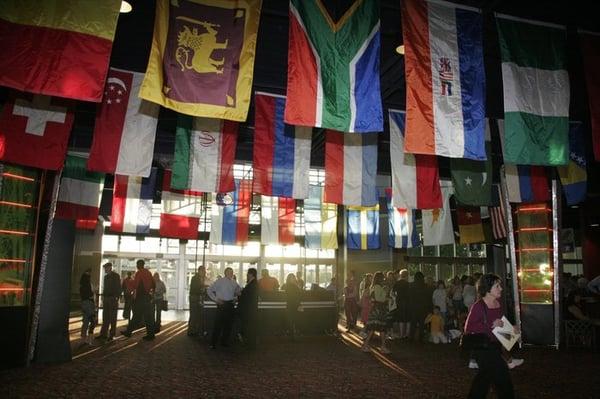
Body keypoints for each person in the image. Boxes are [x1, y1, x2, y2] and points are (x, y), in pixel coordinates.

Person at [464, 273, 517, 399]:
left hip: (494, 346)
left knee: (484, 379)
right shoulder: (478, 306)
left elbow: (499, 325)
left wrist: (511, 329)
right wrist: (490, 326)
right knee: (502, 376)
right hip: (482, 348)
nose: (501, 289)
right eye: (497, 286)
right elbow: (468, 328)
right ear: (488, 288)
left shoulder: (498, 304)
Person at [207, 267, 241, 349]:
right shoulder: (220, 281)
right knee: (218, 325)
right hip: (222, 304)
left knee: (228, 325)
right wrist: (216, 300)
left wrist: (235, 299)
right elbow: (209, 290)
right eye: (229, 272)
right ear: (225, 273)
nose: (231, 273)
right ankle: (213, 343)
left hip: (230, 305)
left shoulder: (234, 282)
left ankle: (224, 342)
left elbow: (239, 291)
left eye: (232, 272)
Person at [122, 259, 156, 340]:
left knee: (136, 316)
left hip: (140, 298)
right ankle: (151, 335)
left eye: (137, 265)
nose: (136, 266)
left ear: (138, 265)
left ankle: (128, 332)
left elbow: (135, 285)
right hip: (147, 297)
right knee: (148, 317)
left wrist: (128, 281)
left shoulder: (139, 273)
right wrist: (151, 294)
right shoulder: (148, 272)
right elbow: (153, 284)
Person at [361, 272, 391, 354]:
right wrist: (386, 294)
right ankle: (381, 346)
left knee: (376, 328)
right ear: (379, 278)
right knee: (377, 328)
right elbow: (379, 299)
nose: (384, 279)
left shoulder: (374, 286)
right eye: (382, 278)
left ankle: (378, 346)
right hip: (379, 309)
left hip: (377, 309)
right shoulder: (377, 287)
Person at [98, 262, 121, 341]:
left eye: (106, 268)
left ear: (110, 268)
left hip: (112, 298)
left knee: (112, 318)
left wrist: (116, 297)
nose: (105, 269)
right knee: (105, 317)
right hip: (107, 298)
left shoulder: (116, 276)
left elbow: (119, 287)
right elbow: (105, 288)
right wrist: (104, 297)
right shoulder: (106, 277)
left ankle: (111, 334)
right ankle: (103, 334)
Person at [237, 268, 259, 349]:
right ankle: (249, 343)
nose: (246, 275)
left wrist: (240, 295)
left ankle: (250, 344)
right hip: (250, 309)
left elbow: (247, 297)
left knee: (249, 327)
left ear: (251, 274)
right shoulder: (253, 283)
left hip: (249, 310)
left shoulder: (252, 284)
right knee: (249, 327)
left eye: (248, 273)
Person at [281, 273, 302, 339]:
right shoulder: (294, 286)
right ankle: (293, 335)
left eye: (293, 278)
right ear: (289, 279)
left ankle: (291, 334)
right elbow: (297, 295)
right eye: (292, 278)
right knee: (293, 320)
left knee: (291, 320)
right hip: (293, 305)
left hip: (290, 305)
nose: (293, 279)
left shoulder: (286, 285)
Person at [188, 266, 207, 337]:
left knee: (197, 315)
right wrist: (203, 287)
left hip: (196, 298)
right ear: (199, 271)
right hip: (194, 298)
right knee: (193, 315)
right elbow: (195, 288)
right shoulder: (195, 278)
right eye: (203, 271)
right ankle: (191, 331)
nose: (205, 273)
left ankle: (195, 331)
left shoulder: (199, 278)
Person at [392, 269, 411, 339]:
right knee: (408, 319)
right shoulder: (408, 284)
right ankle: (407, 333)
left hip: (399, 302)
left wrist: (396, 298)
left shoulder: (397, 283)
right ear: (406, 276)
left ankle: (401, 334)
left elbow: (393, 293)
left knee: (401, 319)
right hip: (408, 302)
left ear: (400, 275)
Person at [79, 268, 96, 345]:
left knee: (85, 321)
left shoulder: (82, 285)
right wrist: (93, 292)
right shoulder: (87, 284)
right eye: (89, 273)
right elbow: (90, 295)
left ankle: (83, 339)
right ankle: (90, 340)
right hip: (89, 303)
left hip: (84, 304)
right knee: (92, 320)